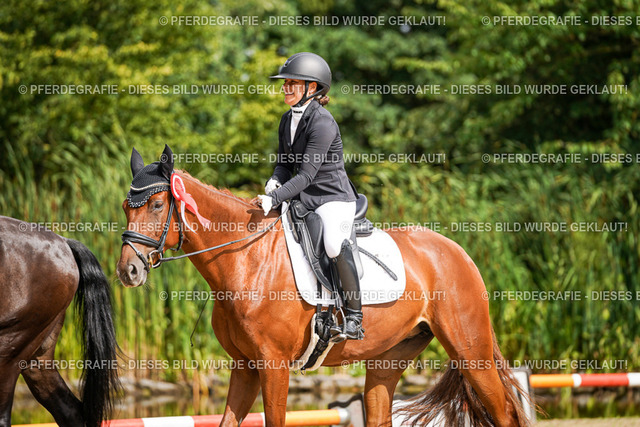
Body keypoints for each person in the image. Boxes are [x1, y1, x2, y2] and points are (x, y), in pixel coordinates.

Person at [257, 52, 364, 340]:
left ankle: (354, 317)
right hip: (303, 198)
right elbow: (284, 164)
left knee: (333, 244)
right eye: (285, 83)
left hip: (332, 198)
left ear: (312, 88)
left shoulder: (323, 122)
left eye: (292, 83)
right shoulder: (286, 120)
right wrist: (274, 180)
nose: (285, 87)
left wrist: (275, 198)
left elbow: (306, 176)